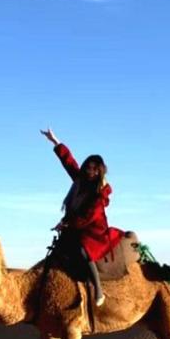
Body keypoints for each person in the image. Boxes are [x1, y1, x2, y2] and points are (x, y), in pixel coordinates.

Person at [41, 127, 122, 307]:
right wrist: (55, 141)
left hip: (92, 231)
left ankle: (98, 290)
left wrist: (66, 224)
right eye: (88, 167)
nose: (89, 170)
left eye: (94, 168)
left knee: (83, 250)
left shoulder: (99, 195)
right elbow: (69, 162)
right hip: (75, 226)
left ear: (99, 171)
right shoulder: (80, 181)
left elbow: (88, 217)